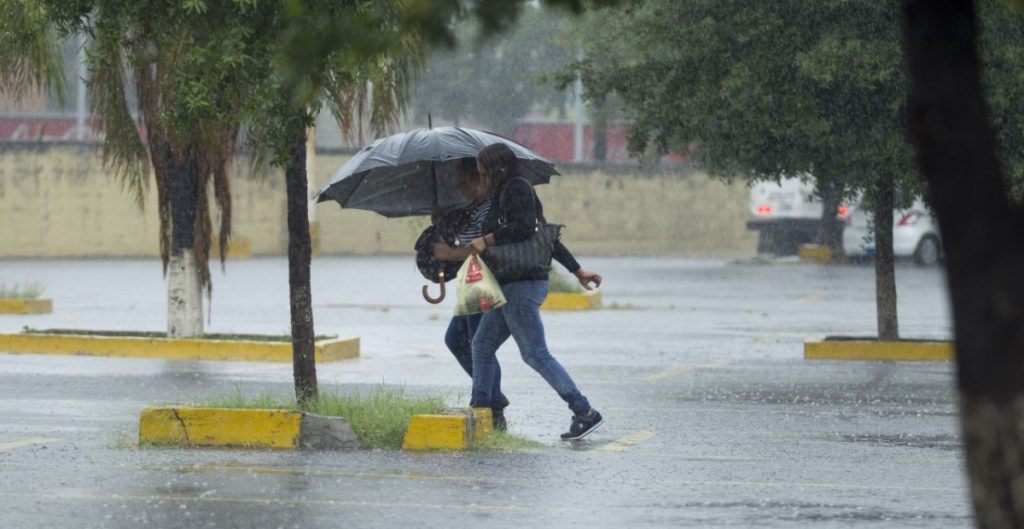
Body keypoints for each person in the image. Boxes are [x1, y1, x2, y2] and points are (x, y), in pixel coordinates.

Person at [432, 157, 601, 433]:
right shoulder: (500, 197)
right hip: (507, 285)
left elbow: (526, 229)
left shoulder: (517, 187)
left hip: (523, 285)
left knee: (535, 354)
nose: (481, 178)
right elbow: (546, 238)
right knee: (481, 346)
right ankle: (483, 409)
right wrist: (579, 271)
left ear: (496, 169)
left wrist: (486, 240)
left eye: (483, 172)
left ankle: (584, 410)